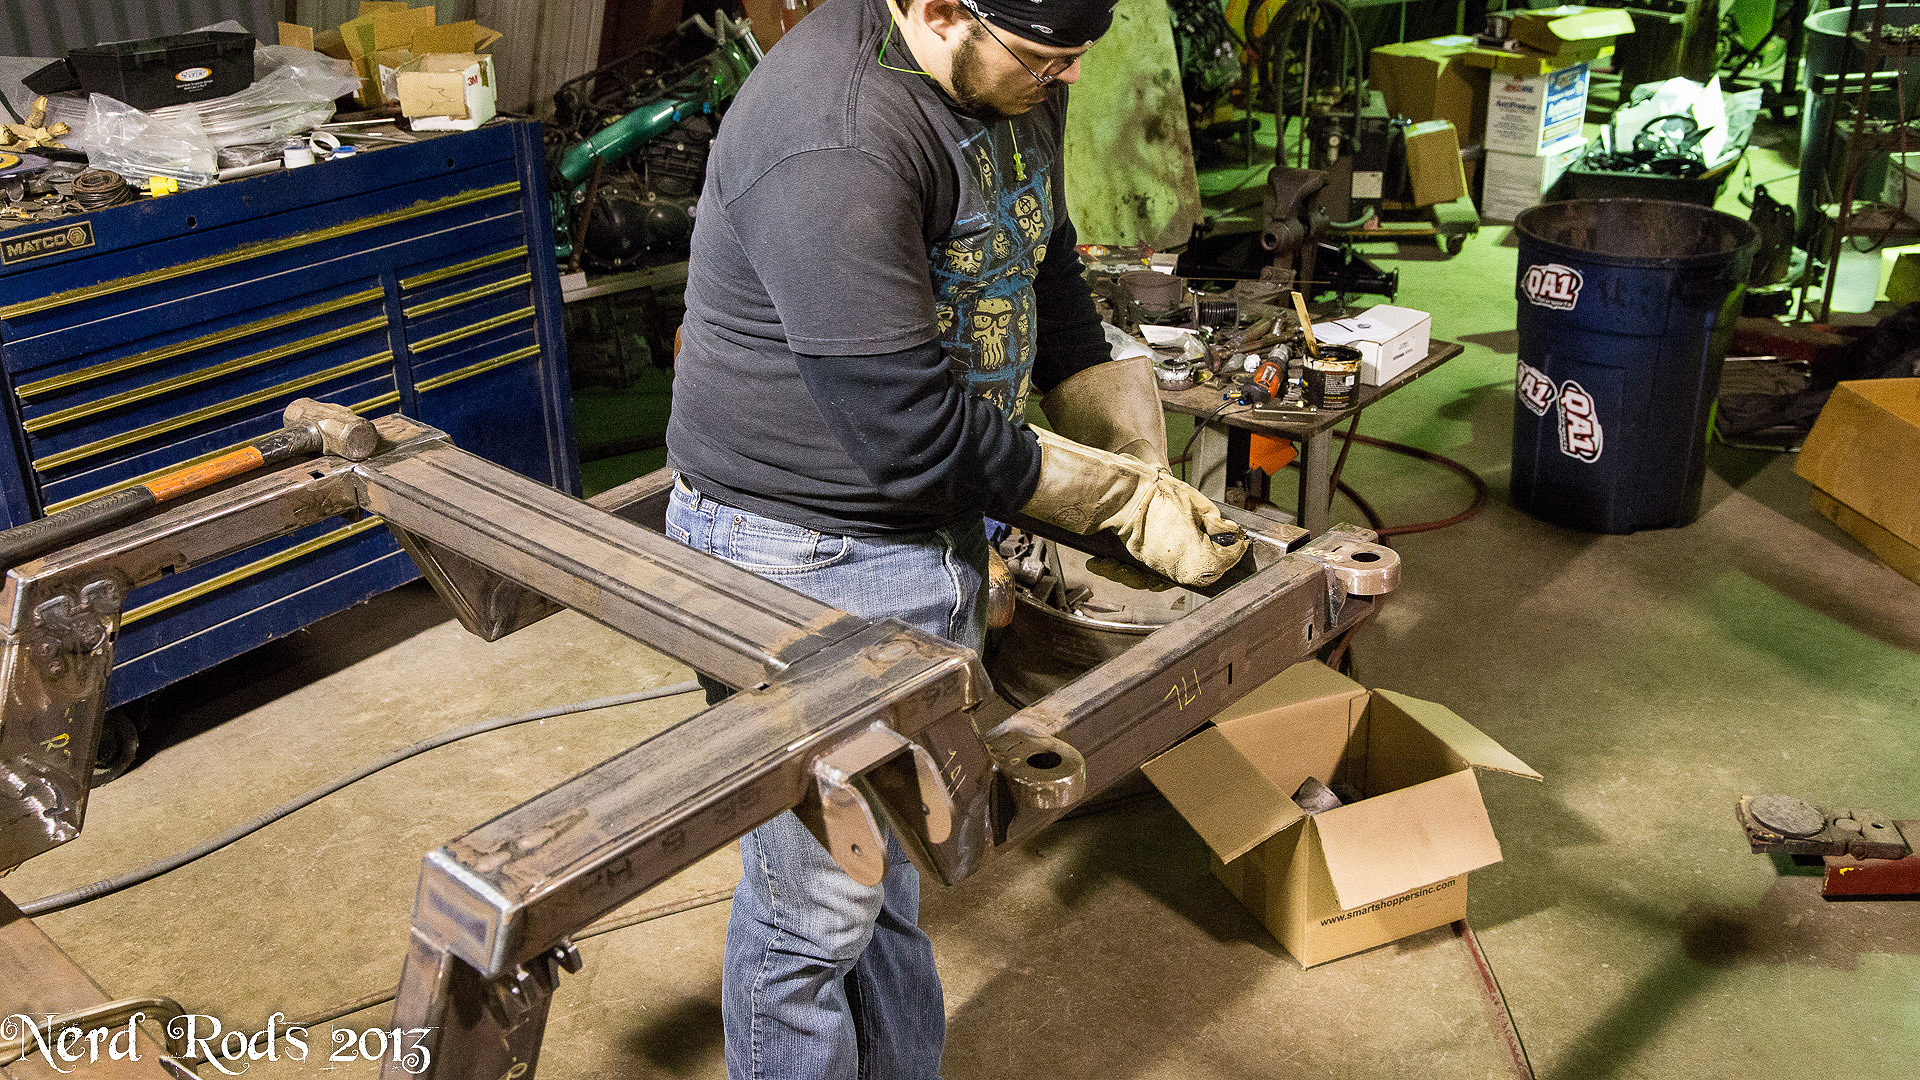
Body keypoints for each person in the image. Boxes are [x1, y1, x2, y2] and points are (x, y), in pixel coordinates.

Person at [662, 0, 1248, 1073]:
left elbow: (1040, 252)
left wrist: (1103, 413)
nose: (1068, 81)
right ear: (938, 9)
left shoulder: (1014, 78)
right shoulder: (835, 133)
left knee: (883, 866)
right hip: (798, 550)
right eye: (1047, 60)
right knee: (814, 913)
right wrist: (1110, 503)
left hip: (924, 524)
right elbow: (908, 433)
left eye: (1077, 57)